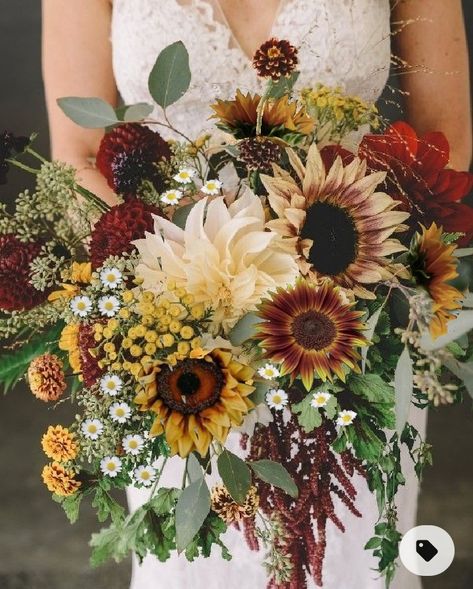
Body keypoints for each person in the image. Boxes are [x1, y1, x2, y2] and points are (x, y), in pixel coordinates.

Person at [42, 1, 472, 588]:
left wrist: (354, 261)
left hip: (352, 318)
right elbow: (79, 157)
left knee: (358, 556)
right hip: (174, 328)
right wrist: (173, 292)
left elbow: (445, 141)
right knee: (193, 560)